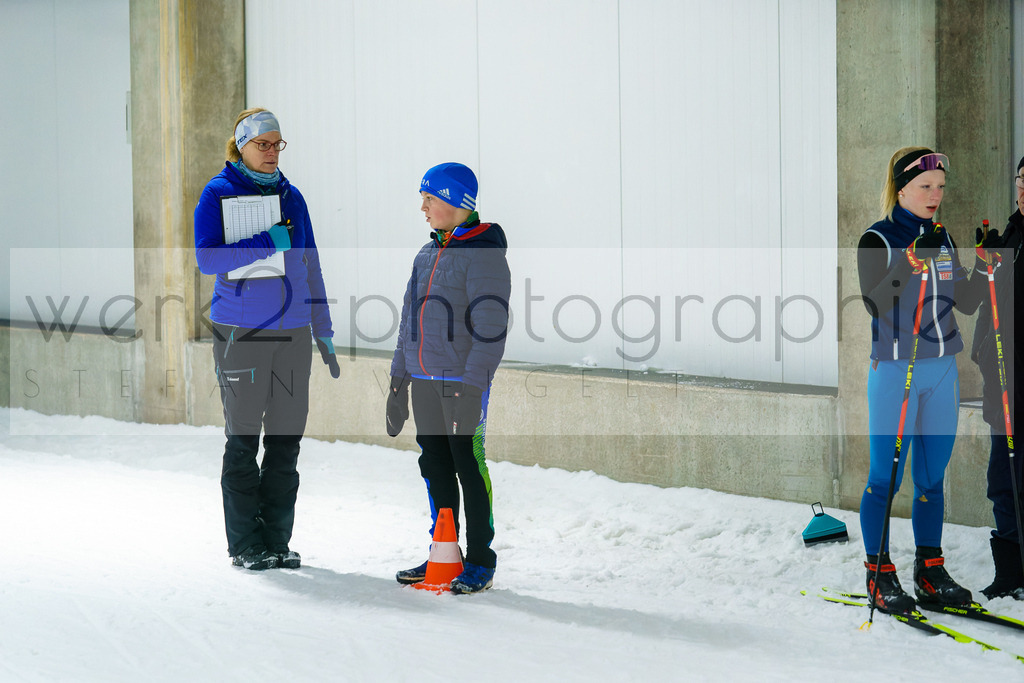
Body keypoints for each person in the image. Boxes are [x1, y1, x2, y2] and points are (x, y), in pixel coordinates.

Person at [194, 107, 340, 570]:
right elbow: (207, 259)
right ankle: (245, 544)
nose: (273, 151)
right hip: (242, 332)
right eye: (264, 143)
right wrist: (267, 240)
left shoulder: (291, 196)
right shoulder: (216, 194)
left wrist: (323, 329)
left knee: (285, 441)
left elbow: (310, 262)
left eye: (278, 143)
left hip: (294, 332)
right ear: (241, 146)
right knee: (243, 439)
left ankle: (276, 539)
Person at [856, 147, 985, 613]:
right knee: (884, 479)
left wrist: (986, 267)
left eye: (941, 187)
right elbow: (877, 305)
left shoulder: (942, 237)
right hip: (897, 370)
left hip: (941, 370)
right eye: (927, 186)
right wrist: (910, 262)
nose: (936, 195)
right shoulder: (878, 238)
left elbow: (964, 300)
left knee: (932, 478)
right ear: (903, 187)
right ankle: (878, 571)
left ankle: (930, 570)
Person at [385, 162, 511, 594]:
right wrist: (398, 381)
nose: (422, 208)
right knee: (434, 466)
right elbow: (408, 322)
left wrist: (474, 387)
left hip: (461, 382)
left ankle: (480, 560)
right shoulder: (426, 253)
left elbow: (491, 329)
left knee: (468, 467)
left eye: (430, 199)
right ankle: (445, 551)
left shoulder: (484, 255)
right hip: (421, 379)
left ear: (456, 203)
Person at [972, 155, 1024, 599]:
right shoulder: (1010, 233)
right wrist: (988, 260)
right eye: (1022, 180)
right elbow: (981, 301)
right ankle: (1009, 574)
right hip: (1003, 383)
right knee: (1002, 481)